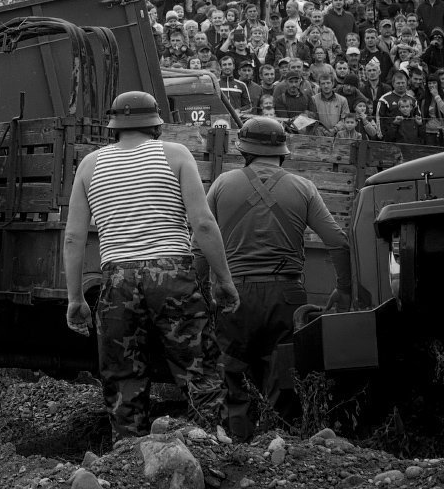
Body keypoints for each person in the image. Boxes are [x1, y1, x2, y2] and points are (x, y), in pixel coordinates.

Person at [63, 91, 239, 440]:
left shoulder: (89, 165)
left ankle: (128, 458)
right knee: (199, 370)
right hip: (172, 273)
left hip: (117, 279)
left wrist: (74, 299)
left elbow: (73, 237)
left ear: (114, 126)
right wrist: (224, 279)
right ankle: (212, 446)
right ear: (157, 125)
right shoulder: (175, 155)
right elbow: (202, 223)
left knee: (122, 376)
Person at [204, 116, 351, 440]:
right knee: (282, 382)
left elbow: (200, 244)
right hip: (287, 298)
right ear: (283, 152)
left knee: (234, 378)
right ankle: (276, 452)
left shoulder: (222, 185)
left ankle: (238, 452)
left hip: (234, 296)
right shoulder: (303, 187)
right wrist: (344, 288)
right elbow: (338, 242)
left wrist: (201, 294)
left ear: (244, 152)